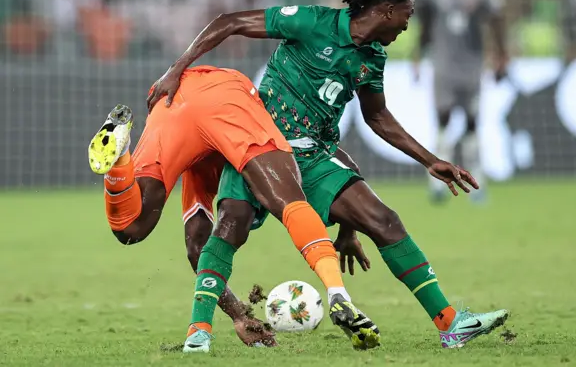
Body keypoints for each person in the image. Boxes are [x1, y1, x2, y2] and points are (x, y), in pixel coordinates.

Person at [149, 0, 509, 350]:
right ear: (386, 10)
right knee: (230, 226)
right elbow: (230, 22)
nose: (408, 23)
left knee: (384, 221)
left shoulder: (372, 58)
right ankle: (198, 333)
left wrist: (429, 161)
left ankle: (451, 324)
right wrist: (177, 68)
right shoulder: (310, 21)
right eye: (407, 13)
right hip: (258, 143)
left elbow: (378, 118)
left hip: (311, 154)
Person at [88, 66, 379, 354]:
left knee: (130, 227)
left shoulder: (198, 169)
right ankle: (338, 293)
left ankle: (120, 159)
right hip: (228, 97)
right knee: (288, 201)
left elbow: (198, 248)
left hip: (173, 100)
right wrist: (348, 229)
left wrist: (239, 315)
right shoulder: (235, 164)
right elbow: (333, 158)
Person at [414, 0, 508, 203]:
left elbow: (498, 21)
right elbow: (426, 25)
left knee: (472, 123)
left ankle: (477, 182)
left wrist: (502, 57)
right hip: (444, 67)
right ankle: (437, 185)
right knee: (443, 121)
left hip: (472, 69)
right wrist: (417, 57)